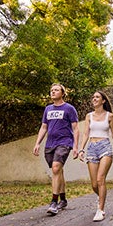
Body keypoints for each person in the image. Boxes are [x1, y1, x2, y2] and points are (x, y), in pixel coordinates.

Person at [33, 83, 79, 215]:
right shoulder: (48, 109)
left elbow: (75, 128)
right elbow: (44, 127)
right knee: (58, 171)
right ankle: (63, 199)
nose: (53, 92)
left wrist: (75, 146)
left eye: (56, 90)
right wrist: (37, 143)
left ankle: (54, 202)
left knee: (56, 168)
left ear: (63, 93)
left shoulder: (69, 108)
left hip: (64, 142)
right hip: (50, 144)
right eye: (51, 90)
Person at [78, 90, 113, 222]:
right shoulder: (88, 116)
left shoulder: (110, 116)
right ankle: (100, 196)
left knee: (100, 179)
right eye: (93, 97)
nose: (94, 99)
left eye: (97, 97)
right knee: (94, 185)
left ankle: (100, 210)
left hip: (105, 147)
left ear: (103, 101)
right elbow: (86, 133)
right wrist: (81, 149)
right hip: (91, 147)